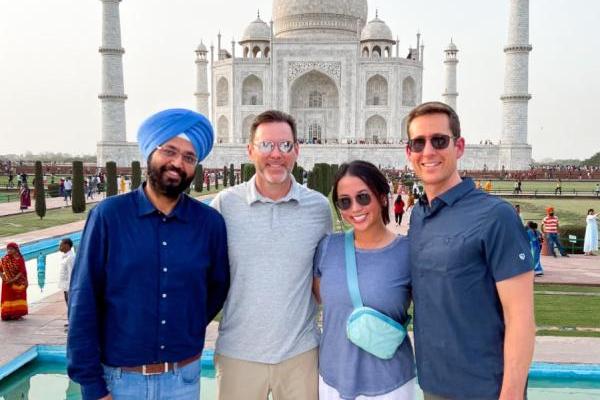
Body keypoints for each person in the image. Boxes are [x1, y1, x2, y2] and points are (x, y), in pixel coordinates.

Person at [67, 108, 230, 400]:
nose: (178, 162)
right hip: (120, 380)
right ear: (151, 153)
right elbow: (84, 299)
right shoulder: (109, 216)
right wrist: (92, 386)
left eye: (189, 157)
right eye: (170, 151)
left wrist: (186, 323)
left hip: (183, 379)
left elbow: (216, 288)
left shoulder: (208, 223)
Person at [405, 102, 535, 400]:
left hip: (486, 388)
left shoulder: (495, 216)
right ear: (408, 152)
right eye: (418, 143)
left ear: (459, 146)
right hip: (434, 385)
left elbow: (521, 317)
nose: (428, 151)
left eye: (439, 140)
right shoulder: (420, 216)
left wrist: (512, 394)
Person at [210, 110, 331, 400]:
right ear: (250, 150)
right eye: (266, 145)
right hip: (238, 354)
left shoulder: (317, 208)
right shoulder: (225, 205)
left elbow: (322, 277)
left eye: (285, 146)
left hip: (300, 354)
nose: (276, 154)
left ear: (297, 150)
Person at [313, 161, 415, 400]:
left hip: (389, 385)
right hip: (332, 380)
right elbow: (319, 298)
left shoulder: (408, 252)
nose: (355, 208)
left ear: (381, 197)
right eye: (345, 202)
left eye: (363, 197)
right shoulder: (328, 248)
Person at [0, 242, 28, 320]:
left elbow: (21, 272)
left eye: (11, 249)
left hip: (18, 282)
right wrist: (4, 278)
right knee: (8, 297)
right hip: (7, 283)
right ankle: (7, 314)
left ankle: (16, 314)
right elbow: (0, 270)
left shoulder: (20, 259)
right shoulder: (5, 259)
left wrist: (13, 280)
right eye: (8, 249)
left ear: (16, 250)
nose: (9, 251)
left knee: (17, 297)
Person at [57, 238, 75, 327]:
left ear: (67, 245)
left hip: (69, 286)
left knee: (70, 303)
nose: (59, 247)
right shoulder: (65, 256)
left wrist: (70, 287)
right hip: (65, 285)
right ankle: (70, 320)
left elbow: (71, 273)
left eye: (61, 245)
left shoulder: (70, 257)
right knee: (68, 303)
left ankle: (72, 322)